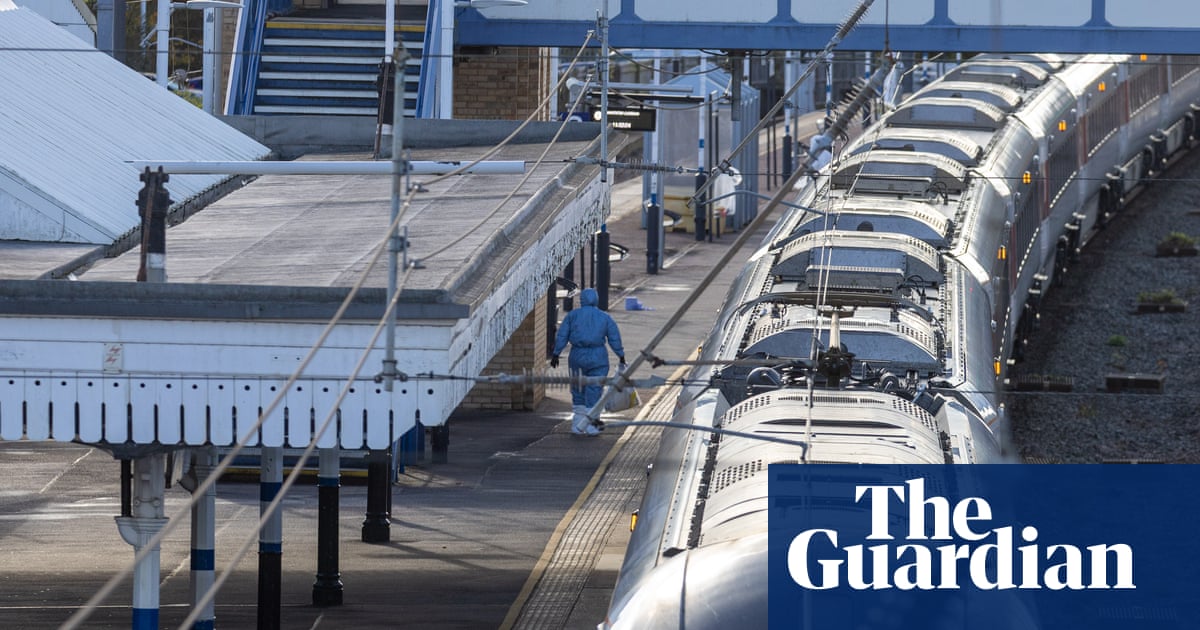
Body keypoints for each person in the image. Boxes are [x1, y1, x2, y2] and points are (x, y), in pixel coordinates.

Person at [550, 288, 625, 435]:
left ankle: (577, 424)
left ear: (582, 300)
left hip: (577, 354)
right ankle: (592, 425)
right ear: (596, 300)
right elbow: (614, 338)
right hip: (598, 356)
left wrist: (556, 354)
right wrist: (621, 355)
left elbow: (562, 336)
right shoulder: (605, 317)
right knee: (594, 388)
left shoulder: (572, 316)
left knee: (578, 388)